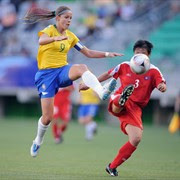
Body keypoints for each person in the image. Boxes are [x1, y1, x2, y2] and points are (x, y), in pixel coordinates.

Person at [24, 6, 123, 157]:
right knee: (47, 117)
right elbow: (41, 40)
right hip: (46, 76)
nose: (69, 20)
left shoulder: (71, 36)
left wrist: (108, 54)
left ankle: (102, 91)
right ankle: (38, 140)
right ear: (58, 18)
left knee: (81, 67)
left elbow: (88, 52)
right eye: (66, 17)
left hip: (62, 71)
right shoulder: (49, 30)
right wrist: (55, 38)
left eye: (70, 18)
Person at [79, 40, 167, 176]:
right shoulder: (124, 65)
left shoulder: (154, 71)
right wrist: (89, 84)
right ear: (133, 54)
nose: (140, 56)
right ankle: (114, 96)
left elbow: (162, 83)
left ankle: (112, 167)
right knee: (120, 100)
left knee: (136, 139)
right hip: (119, 98)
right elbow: (107, 74)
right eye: (137, 52)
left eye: (143, 53)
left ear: (148, 55)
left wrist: (162, 87)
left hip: (135, 109)